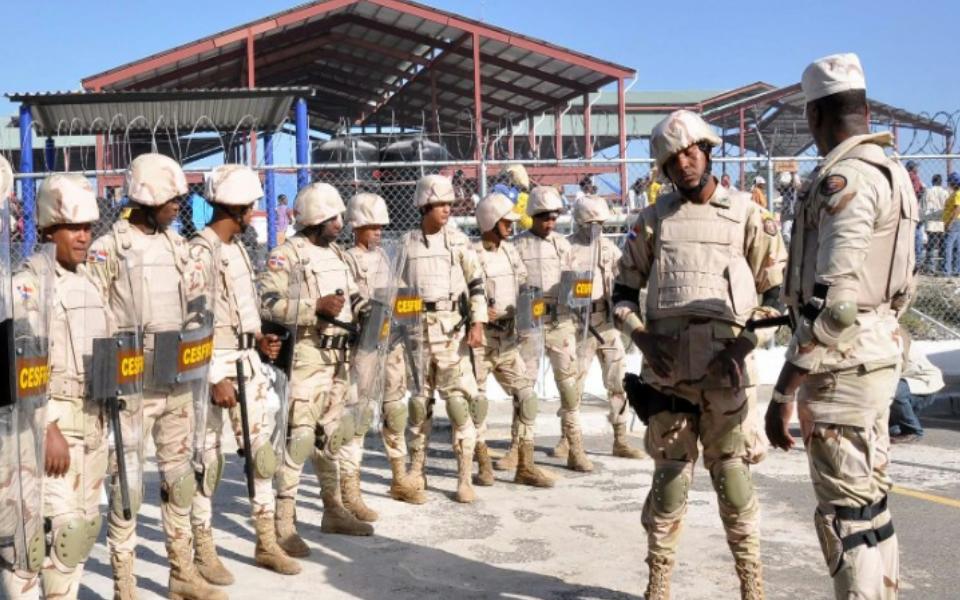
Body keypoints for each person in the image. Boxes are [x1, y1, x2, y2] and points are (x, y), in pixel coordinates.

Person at [613, 109, 787, 599]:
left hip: (727, 376)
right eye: (673, 160)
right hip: (667, 377)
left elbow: (775, 297)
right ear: (664, 169)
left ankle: (752, 585)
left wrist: (744, 344)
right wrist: (641, 337)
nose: (684, 164)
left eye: (691, 153)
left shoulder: (748, 214)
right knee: (669, 486)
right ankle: (658, 583)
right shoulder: (652, 221)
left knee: (734, 482)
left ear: (707, 152)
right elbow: (621, 294)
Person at [766, 53, 917, 599]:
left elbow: (835, 306)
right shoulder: (893, 172)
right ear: (865, 110)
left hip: (841, 368)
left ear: (814, 116)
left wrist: (784, 390)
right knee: (871, 508)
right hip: (877, 354)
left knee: (845, 519)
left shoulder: (844, 179)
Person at [86, 153, 225, 600]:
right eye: (171, 199)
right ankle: (125, 584)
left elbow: (198, 305)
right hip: (131, 384)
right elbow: (93, 313)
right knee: (127, 486)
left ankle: (181, 573)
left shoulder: (177, 245)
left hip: (177, 380)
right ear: (147, 198)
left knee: (179, 480)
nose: (177, 207)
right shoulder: (110, 248)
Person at [190, 164, 301, 583]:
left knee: (262, 457)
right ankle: (203, 551)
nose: (253, 211)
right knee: (206, 463)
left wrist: (259, 339)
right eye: (249, 205)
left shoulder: (237, 248)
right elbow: (189, 323)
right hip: (210, 364)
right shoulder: (199, 252)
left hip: (245, 360)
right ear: (234, 207)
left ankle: (266, 542)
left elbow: (242, 308)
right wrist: (209, 377)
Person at [1, 174, 107, 600]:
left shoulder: (91, 282)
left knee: (78, 536)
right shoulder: (27, 285)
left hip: (92, 425)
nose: (84, 237)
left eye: (88, 228)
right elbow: (18, 365)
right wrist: (45, 427)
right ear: (49, 230)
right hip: (48, 426)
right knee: (39, 540)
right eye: (73, 228)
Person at [259, 181, 374, 558]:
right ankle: (284, 522)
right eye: (333, 218)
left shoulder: (336, 254)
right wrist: (313, 308)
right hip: (307, 357)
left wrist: (370, 313)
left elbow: (351, 296)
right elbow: (268, 304)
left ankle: (333, 508)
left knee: (330, 438)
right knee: (301, 438)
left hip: (339, 358)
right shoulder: (286, 255)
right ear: (314, 219)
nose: (340, 223)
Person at [402, 174, 488, 503]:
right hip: (417, 332)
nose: (447, 210)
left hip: (452, 332)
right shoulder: (407, 244)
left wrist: (477, 323)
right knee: (419, 404)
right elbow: (395, 289)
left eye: (450, 204)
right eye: (440, 204)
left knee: (458, 404)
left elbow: (477, 284)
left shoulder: (459, 241)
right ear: (424, 206)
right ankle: (416, 469)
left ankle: (463, 477)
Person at [342, 192, 425, 505]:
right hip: (364, 346)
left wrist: (408, 307)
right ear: (356, 226)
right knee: (360, 414)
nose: (378, 232)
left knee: (395, 410)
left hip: (391, 342)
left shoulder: (385, 257)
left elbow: (398, 292)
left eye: (381, 227)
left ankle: (399, 477)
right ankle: (351, 485)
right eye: (372, 226)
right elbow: (349, 300)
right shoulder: (347, 259)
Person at [471, 192, 555, 488]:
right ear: (491, 221)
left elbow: (523, 283)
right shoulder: (471, 254)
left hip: (508, 340)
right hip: (481, 342)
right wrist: (479, 312)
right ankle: (483, 464)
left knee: (527, 396)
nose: (511, 226)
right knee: (477, 405)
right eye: (506, 221)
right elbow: (463, 293)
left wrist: (529, 302)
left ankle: (525, 464)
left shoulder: (510, 252)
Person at [516, 186, 594, 473]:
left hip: (560, 322)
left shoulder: (563, 245)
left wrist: (576, 289)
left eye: (554, 217)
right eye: (544, 217)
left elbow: (576, 281)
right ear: (533, 216)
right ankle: (518, 448)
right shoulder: (518, 246)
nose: (550, 223)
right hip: (530, 321)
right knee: (524, 388)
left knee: (569, 387)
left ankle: (575, 448)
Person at [568, 195, 644, 459]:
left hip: (607, 324)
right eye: (592, 223)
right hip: (579, 326)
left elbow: (624, 281)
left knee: (618, 382)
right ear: (580, 222)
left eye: (600, 223)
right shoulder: (567, 249)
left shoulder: (610, 249)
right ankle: (568, 439)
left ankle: (620, 439)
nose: (596, 228)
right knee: (573, 386)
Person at [889, 331, 945, 443]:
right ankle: (897, 426)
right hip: (903, 380)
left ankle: (913, 431)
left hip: (922, 380)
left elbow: (898, 364)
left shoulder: (894, 332)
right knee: (891, 431)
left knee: (894, 392)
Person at [941, 172, 960, 275]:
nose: (949, 184)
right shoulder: (956, 193)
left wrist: (950, 222)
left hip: (954, 221)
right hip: (956, 222)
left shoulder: (957, 194)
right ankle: (956, 270)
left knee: (948, 246)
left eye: (950, 182)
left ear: (954, 182)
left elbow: (957, 209)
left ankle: (946, 270)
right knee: (957, 246)